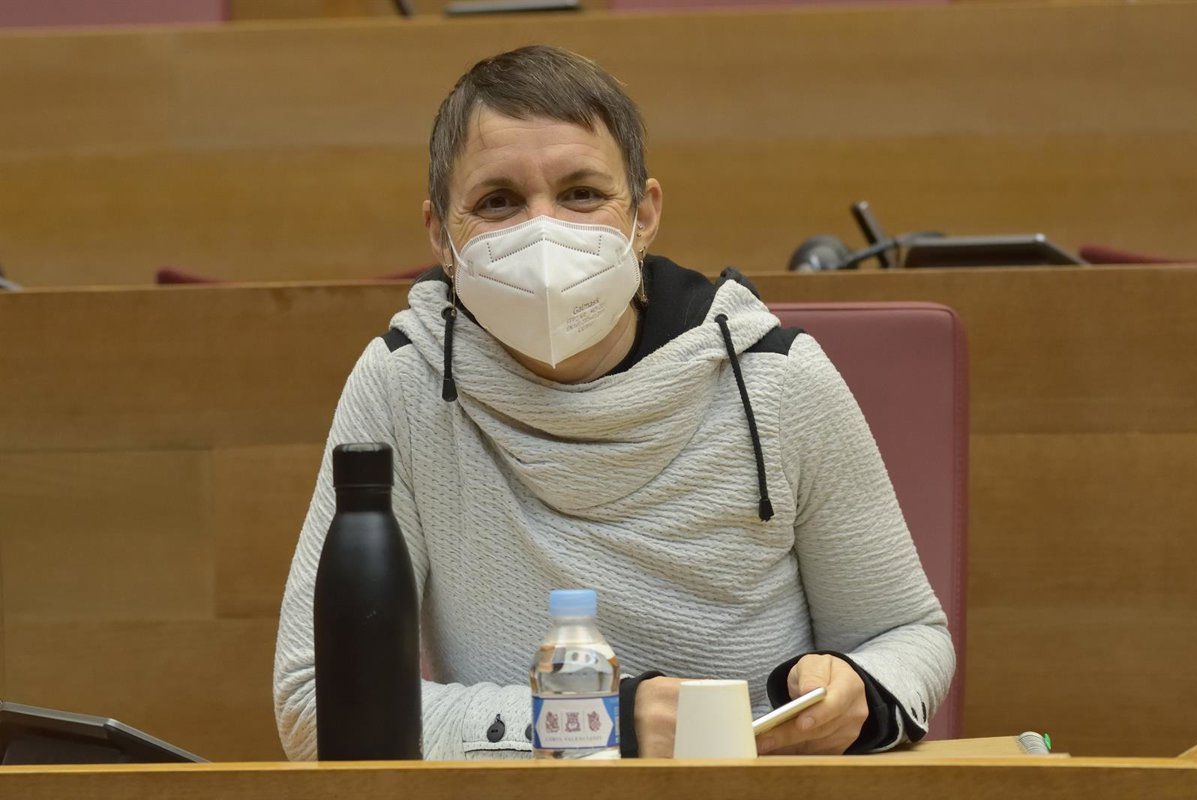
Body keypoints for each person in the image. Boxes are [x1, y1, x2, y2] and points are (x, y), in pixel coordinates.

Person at [274, 44, 953, 761]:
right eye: (499, 202)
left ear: (644, 215)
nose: (544, 231)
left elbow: (907, 636)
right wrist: (597, 724)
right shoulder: (401, 386)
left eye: (582, 194)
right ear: (442, 234)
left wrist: (860, 694)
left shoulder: (779, 378)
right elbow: (316, 704)